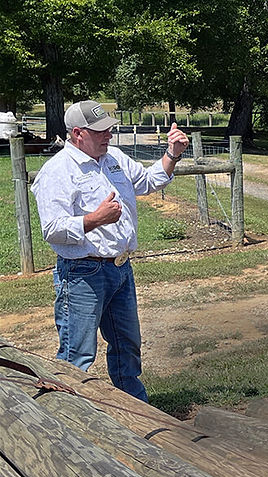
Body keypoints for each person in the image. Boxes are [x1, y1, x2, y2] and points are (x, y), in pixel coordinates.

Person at [31, 100, 189, 401]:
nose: (109, 135)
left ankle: (136, 412)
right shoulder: (57, 172)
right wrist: (94, 220)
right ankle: (67, 418)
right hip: (82, 274)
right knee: (76, 355)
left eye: (110, 129)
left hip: (120, 269)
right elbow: (51, 229)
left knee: (127, 346)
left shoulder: (113, 157)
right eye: (101, 130)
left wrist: (172, 154)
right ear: (78, 133)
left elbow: (147, 181)